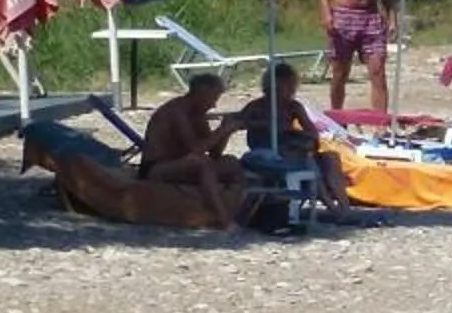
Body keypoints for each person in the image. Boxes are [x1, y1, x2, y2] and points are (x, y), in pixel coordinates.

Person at [231, 63, 362, 220]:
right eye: (285, 86)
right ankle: (332, 208)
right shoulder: (256, 107)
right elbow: (237, 123)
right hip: (269, 155)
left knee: (331, 158)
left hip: (293, 150)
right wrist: (263, 124)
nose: (289, 90)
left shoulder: (293, 107)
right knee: (306, 161)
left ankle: (344, 206)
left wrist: (300, 137)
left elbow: (312, 134)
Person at [141, 73, 249, 227]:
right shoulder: (178, 111)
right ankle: (223, 219)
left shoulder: (198, 114)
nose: (214, 105)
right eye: (213, 98)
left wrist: (226, 131)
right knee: (200, 163)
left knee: (231, 163)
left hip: (183, 164)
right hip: (158, 167)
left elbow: (215, 152)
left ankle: (233, 211)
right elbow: (195, 149)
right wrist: (222, 131)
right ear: (201, 94)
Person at [319, 0, 391, 116]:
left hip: (371, 15)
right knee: (340, 73)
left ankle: (381, 123)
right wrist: (326, 12)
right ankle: (337, 115)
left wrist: (392, 18)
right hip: (343, 15)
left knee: (378, 71)